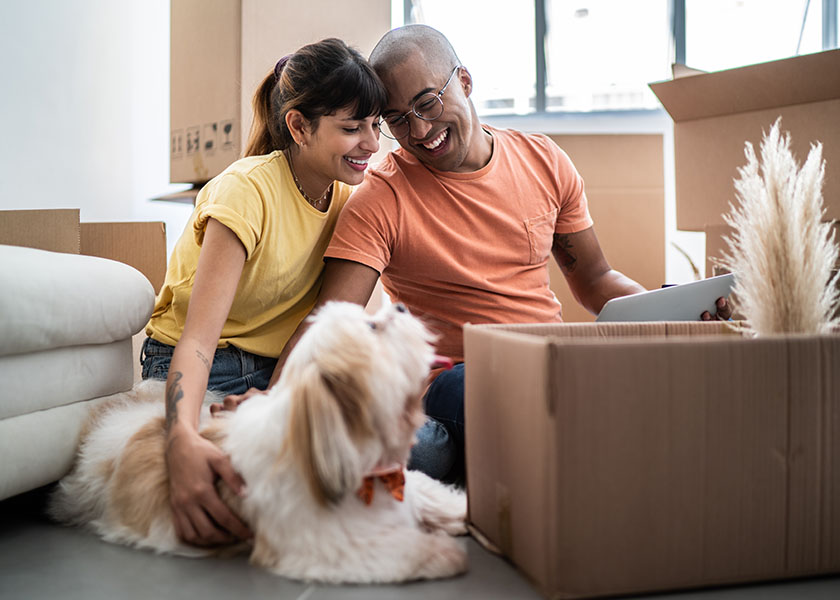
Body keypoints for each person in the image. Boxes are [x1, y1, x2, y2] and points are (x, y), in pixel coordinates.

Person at [232, 25, 732, 485]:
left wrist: (669, 316)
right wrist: (270, 409)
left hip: (554, 366)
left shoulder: (544, 160)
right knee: (488, 392)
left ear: (465, 82)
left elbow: (596, 281)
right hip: (454, 383)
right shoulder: (381, 198)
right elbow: (329, 321)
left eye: (428, 103)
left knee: (638, 384)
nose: (420, 131)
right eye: (397, 120)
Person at [139, 38, 386, 546]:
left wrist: (276, 396)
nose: (372, 144)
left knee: (382, 446)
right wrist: (180, 438)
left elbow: (322, 327)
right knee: (242, 475)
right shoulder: (246, 191)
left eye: (376, 125)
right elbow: (198, 340)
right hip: (204, 363)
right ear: (299, 126)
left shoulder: (347, 198)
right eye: (351, 128)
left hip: (276, 371)